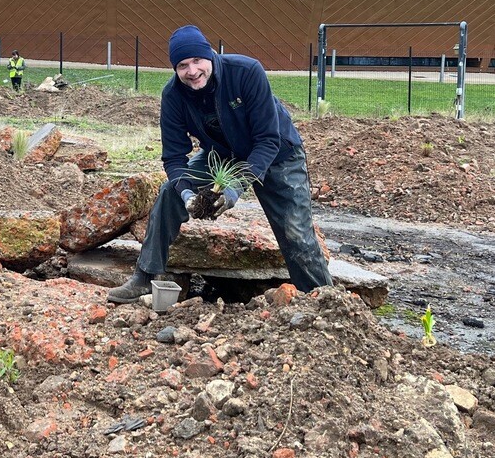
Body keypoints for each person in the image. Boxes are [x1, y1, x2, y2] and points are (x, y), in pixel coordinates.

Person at [108, 25, 333, 303]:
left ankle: (323, 300)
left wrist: (234, 190)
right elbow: (174, 157)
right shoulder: (173, 96)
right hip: (222, 155)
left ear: (210, 56)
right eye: (182, 65)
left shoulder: (246, 72)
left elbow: (266, 140)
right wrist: (188, 194)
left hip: (277, 155)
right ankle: (144, 277)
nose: (192, 71)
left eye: (197, 61)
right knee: (169, 194)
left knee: (295, 231)